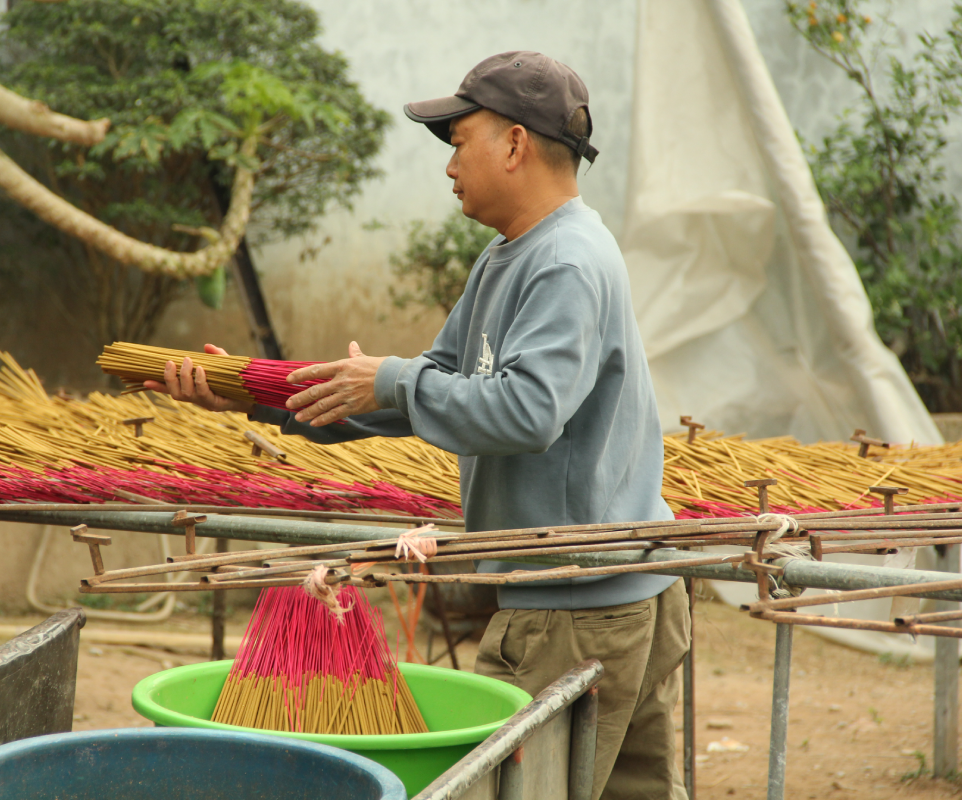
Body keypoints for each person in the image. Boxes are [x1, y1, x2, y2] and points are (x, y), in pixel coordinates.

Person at [145, 51, 690, 800]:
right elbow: (420, 394)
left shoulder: (565, 259)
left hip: (575, 604)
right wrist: (256, 393)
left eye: (458, 140)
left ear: (514, 144)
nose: (448, 165)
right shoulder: (509, 258)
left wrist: (396, 376)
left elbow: (527, 412)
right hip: (613, 592)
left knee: (504, 789)